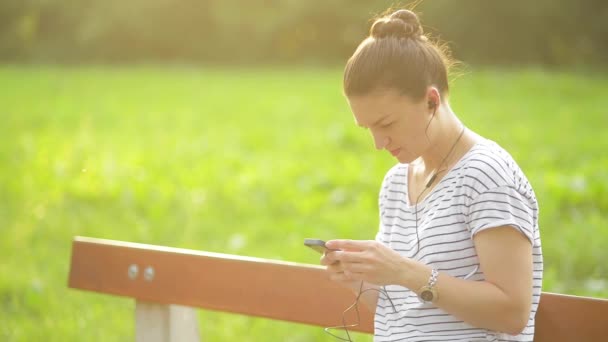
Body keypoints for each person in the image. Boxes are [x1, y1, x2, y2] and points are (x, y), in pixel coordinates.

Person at [320, 8, 543, 342]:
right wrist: (359, 277)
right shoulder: (396, 182)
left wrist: (404, 272)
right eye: (367, 128)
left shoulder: (487, 176)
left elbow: (512, 313)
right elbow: (407, 308)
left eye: (386, 124)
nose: (378, 143)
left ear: (431, 101)